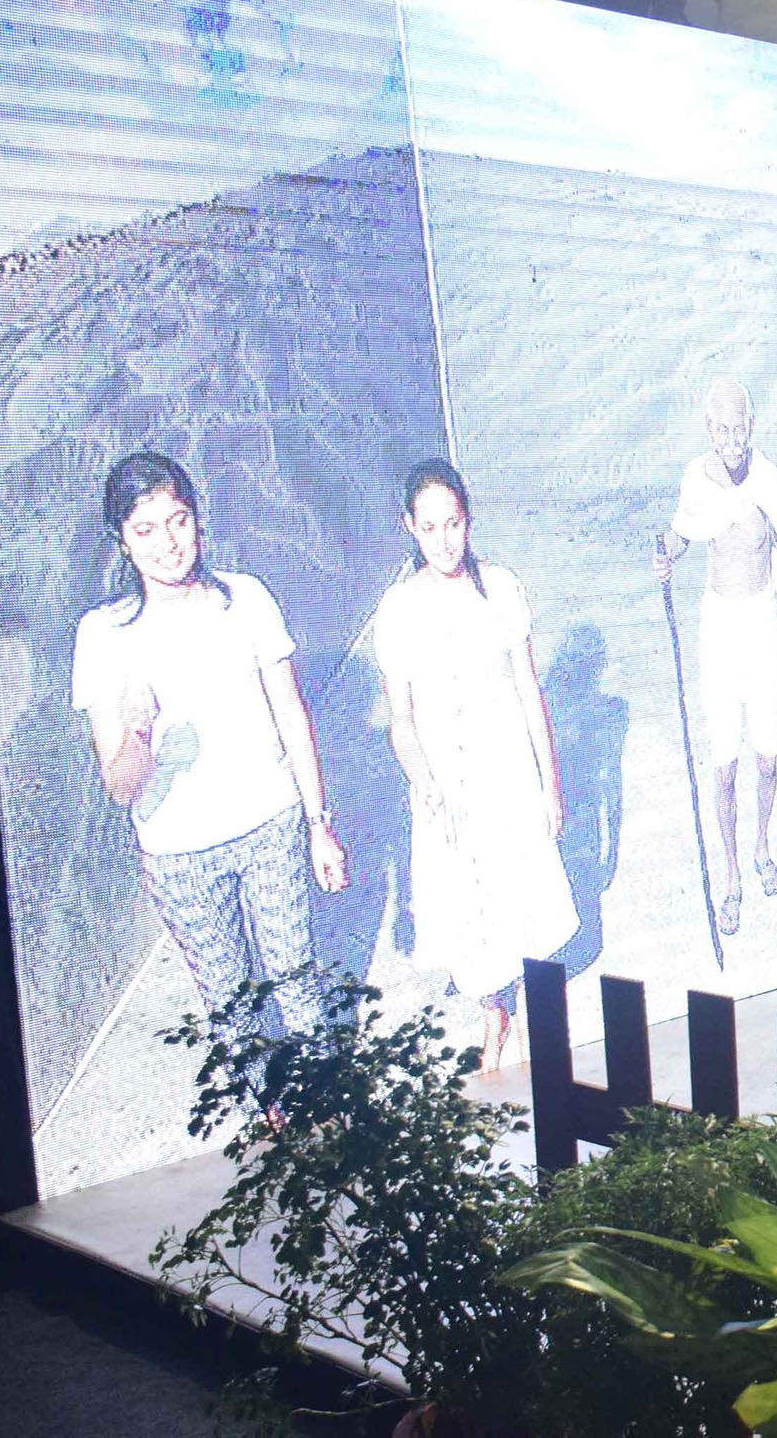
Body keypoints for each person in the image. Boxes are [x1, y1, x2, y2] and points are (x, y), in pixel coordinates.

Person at [72, 452, 346, 1074]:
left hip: (270, 826)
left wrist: (318, 825)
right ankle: (267, 1116)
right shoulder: (103, 635)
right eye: (145, 529)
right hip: (179, 856)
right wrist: (139, 731)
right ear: (121, 539)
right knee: (231, 1008)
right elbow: (120, 787)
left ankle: (329, 1109)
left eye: (178, 520)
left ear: (197, 518)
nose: (168, 543)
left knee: (298, 986)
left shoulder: (245, 598)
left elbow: (292, 715)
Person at [374, 459, 577, 1073]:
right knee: (475, 912)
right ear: (410, 527)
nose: (444, 541)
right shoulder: (398, 610)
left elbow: (530, 693)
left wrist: (550, 787)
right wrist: (422, 779)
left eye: (454, 523)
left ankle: (539, 1033)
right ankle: (495, 1016)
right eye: (429, 527)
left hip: (507, 774)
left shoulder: (502, 587)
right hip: (447, 788)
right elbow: (401, 719)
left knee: (525, 902)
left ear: (469, 519)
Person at [653, 377, 777, 932]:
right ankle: (731, 875)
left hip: (761, 625)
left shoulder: (768, 477)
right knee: (724, 766)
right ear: (709, 429)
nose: (732, 439)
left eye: (739, 428)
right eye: (721, 429)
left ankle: (762, 845)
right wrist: (665, 555)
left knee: (767, 759)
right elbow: (683, 533)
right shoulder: (695, 480)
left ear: (752, 425)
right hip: (719, 628)